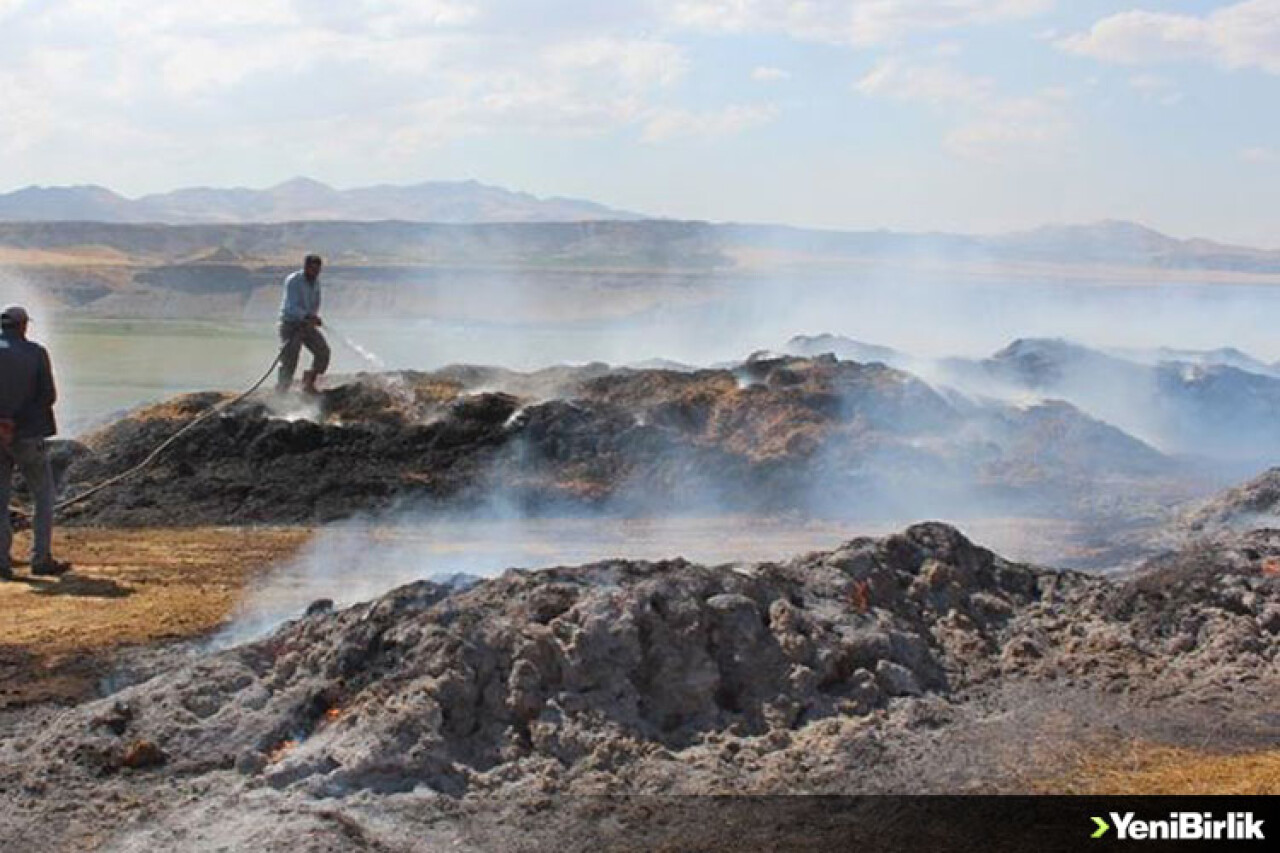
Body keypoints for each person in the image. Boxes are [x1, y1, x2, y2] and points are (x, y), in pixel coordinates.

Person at [0, 306, 70, 580]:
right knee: (43, 495)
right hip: (28, 436)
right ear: (23, 326)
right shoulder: (36, 353)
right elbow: (47, 396)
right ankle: (40, 558)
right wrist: (16, 421)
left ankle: (1, 563)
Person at [276, 254, 330, 395]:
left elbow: (315, 302)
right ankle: (282, 392)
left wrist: (313, 317)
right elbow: (290, 307)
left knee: (323, 352)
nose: (316, 273)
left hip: (306, 325)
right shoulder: (294, 280)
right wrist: (307, 316)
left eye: (318, 270)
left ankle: (308, 381)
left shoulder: (316, 282)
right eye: (313, 269)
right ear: (305, 267)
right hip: (290, 325)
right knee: (290, 358)